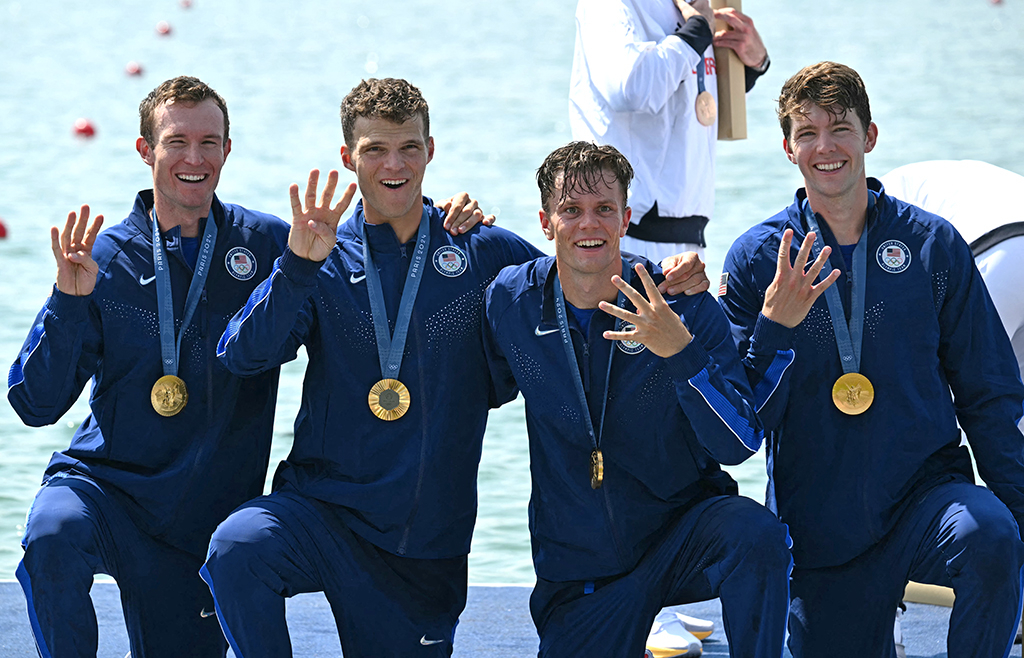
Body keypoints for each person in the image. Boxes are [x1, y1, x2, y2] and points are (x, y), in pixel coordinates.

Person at [7, 75, 490, 658]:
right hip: (105, 493)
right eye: (176, 142)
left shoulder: (271, 244)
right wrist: (68, 302)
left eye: (209, 142)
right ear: (144, 151)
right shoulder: (102, 258)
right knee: (51, 536)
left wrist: (451, 217)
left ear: (228, 150)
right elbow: (34, 405)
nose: (194, 157)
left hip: (199, 526)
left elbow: (375, 257)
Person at [718, 61, 1024, 657]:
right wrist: (775, 326)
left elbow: (990, 394)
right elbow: (742, 424)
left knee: (993, 537)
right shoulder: (759, 257)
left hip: (926, 500)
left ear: (871, 137)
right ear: (787, 148)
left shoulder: (932, 244)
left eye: (841, 128)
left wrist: (1020, 510)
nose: (825, 147)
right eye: (807, 133)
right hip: (819, 527)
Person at [481, 141, 794, 657]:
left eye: (604, 209)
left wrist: (681, 355)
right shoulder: (509, 301)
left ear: (626, 219)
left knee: (755, 534)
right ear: (544, 221)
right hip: (581, 572)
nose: (589, 224)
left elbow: (740, 442)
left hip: (681, 538)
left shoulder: (679, 304)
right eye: (571, 210)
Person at [569, 0, 770, 262]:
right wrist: (695, 34)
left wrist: (753, 65)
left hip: (690, 235)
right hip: (627, 235)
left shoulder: (695, 4)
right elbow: (632, 87)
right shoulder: (609, 4)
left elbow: (688, 99)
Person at [881, 159, 1024, 425]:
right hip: (1006, 242)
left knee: (972, 399)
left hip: (996, 255)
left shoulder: (877, 200)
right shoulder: (940, 176)